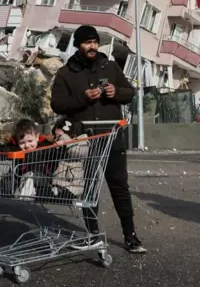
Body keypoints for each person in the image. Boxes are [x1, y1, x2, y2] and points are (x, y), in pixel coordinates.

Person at [50, 25, 146, 254]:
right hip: (84, 140)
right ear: (78, 45)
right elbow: (57, 104)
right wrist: (81, 99)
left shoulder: (110, 66)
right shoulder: (65, 73)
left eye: (95, 42)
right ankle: (92, 233)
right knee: (89, 188)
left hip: (112, 137)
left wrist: (117, 92)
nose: (92, 46)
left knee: (119, 186)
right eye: (87, 42)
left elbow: (130, 92)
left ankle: (130, 235)